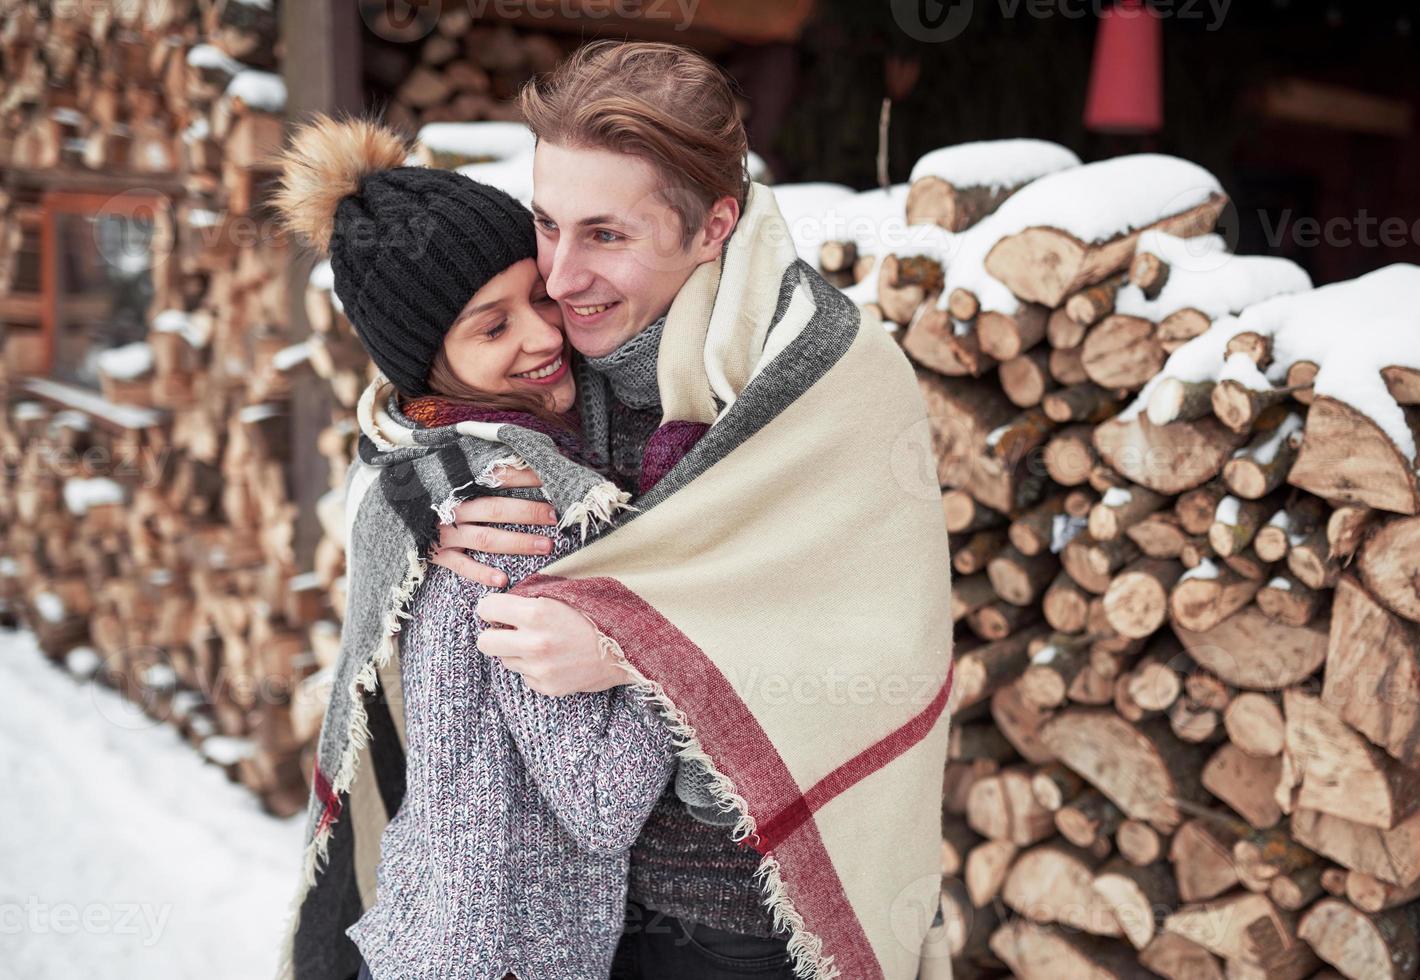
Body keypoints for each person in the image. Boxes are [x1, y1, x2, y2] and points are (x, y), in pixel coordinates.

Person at [432, 41, 956, 980]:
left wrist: (636, 652)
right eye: (547, 224)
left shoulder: (826, 378)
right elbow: (403, 417)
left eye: (607, 235)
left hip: (743, 918)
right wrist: (422, 508)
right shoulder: (544, 359)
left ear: (714, 225)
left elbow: (881, 648)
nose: (557, 277)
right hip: (547, 908)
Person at [269, 114, 683, 980]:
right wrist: (673, 632)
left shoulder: (439, 471)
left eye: (538, 296)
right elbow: (601, 800)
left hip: (443, 930)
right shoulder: (514, 511)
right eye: (491, 328)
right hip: (502, 954)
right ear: (429, 363)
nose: (540, 335)